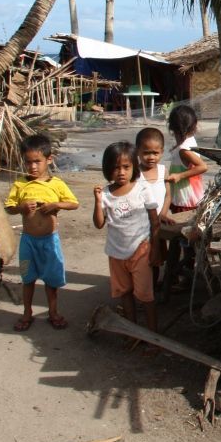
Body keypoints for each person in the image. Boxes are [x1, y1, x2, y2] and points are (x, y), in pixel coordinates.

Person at [4, 134, 79, 332]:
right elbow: (9, 208)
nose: (33, 167)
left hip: (49, 241)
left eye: (37, 162)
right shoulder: (20, 184)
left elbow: (74, 203)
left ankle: (53, 312)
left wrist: (55, 204)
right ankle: (27, 313)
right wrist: (21, 208)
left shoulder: (56, 184)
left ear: (49, 159)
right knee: (28, 279)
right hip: (28, 242)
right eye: (28, 162)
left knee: (51, 280)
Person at [93, 141, 160, 333]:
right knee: (125, 293)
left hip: (140, 249)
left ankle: (153, 336)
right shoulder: (106, 193)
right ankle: (133, 332)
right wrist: (98, 202)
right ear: (107, 169)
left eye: (126, 167)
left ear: (134, 167)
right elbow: (99, 224)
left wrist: (155, 250)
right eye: (115, 168)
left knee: (145, 296)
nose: (121, 172)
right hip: (116, 253)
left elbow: (154, 222)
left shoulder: (142, 188)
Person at [159, 105, 208, 302]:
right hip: (185, 197)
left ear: (172, 127)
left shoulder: (184, 149)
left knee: (186, 242)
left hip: (188, 199)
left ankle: (186, 278)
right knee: (186, 242)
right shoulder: (185, 143)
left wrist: (179, 175)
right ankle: (184, 274)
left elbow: (202, 167)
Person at [136, 127, 168, 287]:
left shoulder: (163, 171)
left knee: (155, 259)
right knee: (140, 260)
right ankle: (142, 289)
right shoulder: (135, 174)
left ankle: (152, 290)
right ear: (138, 152)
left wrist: (163, 213)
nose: (151, 157)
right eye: (146, 152)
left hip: (157, 225)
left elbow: (168, 195)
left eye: (155, 153)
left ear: (162, 152)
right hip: (140, 225)